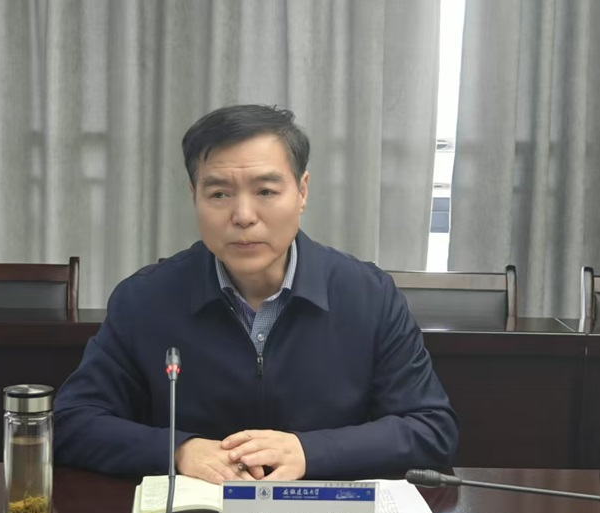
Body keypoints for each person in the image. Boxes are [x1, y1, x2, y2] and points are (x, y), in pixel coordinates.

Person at [53, 104, 458, 484]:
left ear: (302, 192)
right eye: (219, 194)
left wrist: (310, 451)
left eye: (265, 191)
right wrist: (178, 450)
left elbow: (431, 428)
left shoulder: (367, 294)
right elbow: (71, 421)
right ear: (194, 196)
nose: (244, 216)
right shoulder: (145, 299)